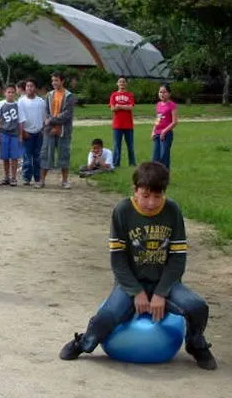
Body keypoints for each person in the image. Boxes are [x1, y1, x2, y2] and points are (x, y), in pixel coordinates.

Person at [59, 162, 217, 371]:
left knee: (197, 307)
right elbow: (118, 260)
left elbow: (178, 258)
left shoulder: (172, 210)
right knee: (107, 317)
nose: (151, 203)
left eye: (157, 197)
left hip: (165, 283)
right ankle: (85, 342)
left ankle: (196, 343)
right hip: (130, 283)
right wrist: (135, 292)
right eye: (145, 196)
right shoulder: (123, 210)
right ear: (135, 191)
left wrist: (161, 292)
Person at [40, 72, 75, 189]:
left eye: (56, 80)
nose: (54, 83)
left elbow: (67, 114)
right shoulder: (49, 95)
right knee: (46, 154)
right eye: (53, 80)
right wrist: (51, 124)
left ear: (62, 81)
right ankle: (42, 180)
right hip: (49, 130)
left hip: (63, 130)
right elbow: (46, 112)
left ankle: (65, 181)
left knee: (64, 154)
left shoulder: (69, 96)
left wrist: (53, 122)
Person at [0, 84, 25, 186]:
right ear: (5, 93)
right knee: (5, 157)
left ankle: (14, 178)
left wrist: (20, 135)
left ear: (15, 94)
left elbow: (21, 121)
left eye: (12, 92)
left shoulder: (18, 105)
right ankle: (6, 177)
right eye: (8, 92)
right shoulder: (0, 104)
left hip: (14, 134)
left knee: (14, 157)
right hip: (4, 133)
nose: (10, 94)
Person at [18, 78, 46, 186]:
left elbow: (44, 117)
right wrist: (22, 132)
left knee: (38, 157)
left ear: (35, 88)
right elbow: (20, 118)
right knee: (27, 158)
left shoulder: (40, 102)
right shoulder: (21, 101)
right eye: (27, 86)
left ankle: (38, 178)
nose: (29, 88)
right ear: (25, 88)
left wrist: (43, 130)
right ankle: (26, 177)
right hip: (27, 133)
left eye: (32, 86)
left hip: (38, 133)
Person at [110, 76, 136, 168]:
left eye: (123, 82)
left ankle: (132, 164)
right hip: (117, 125)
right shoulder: (114, 95)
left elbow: (131, 107)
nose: (122, 83)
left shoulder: (130, 95)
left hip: (128, 125)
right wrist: (125, 106)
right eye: (120, 82)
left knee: (130, 146)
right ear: (117, 83)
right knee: (117, 146)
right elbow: (112, 108)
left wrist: (119, 106)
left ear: (126, 84)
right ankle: (116, 164)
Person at [152, 83, 178, 170]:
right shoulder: (158, 104)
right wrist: (153, 131)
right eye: (160, 92)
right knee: (156, 157)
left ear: (169, 93)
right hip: (157, 134)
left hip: (166, 135)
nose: (162, 94)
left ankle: (165, 176)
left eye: (164, 92)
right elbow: (157, 119)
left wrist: (164, 131)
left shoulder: (172, 105)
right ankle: (155, 177)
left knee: (164, 156)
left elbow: (175, 122)